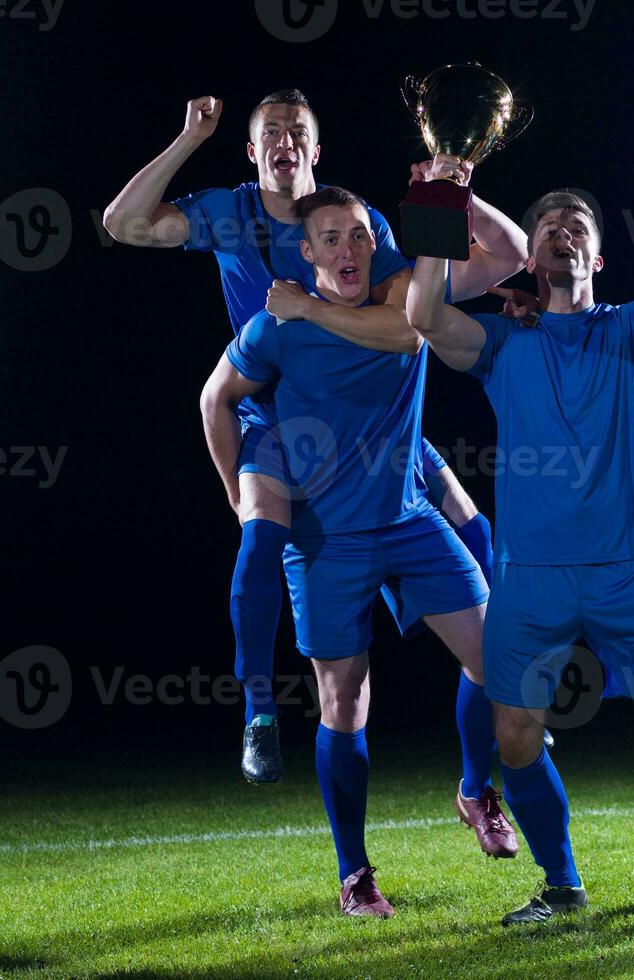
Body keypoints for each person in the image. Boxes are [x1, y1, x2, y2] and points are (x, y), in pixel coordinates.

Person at [102, 90, 527, 782]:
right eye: (270, 131)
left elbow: (436, 299)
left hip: (374, 429)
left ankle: (501, 735)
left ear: (315, 149)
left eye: (298, 130)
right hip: (277, 424)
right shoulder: (230, 211)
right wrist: (187, 139)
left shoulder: (361, 225)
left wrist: (455, 193)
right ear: (252, 150)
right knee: (261, 535)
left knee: (475, 529)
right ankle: (260, 713)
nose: (284, 140)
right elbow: (123, 223)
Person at [407, 152, 634, 925]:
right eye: (547, 226)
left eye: (575, 225)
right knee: (513, 736)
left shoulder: (627, 334)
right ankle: (559, 884)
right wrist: (439, 199)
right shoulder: (502, 342)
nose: (559, 233)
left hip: (628, 569)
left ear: (596, 255)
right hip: (530, 575)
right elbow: (423, 314)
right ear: (535, 251)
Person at [200, 186, 519, 918]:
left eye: (357, 235)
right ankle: (354, 874)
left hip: (408, 521)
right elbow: (214, 397)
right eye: (329, 239)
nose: (346, 249)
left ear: (376, 241)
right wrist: (232, 492)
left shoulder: (406, 294)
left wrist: (455, 189)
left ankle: (474, 790)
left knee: (498, 659)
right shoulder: (273, 329)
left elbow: (487, 272)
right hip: (325, 542)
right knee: (343, 702)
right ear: (304, 252)